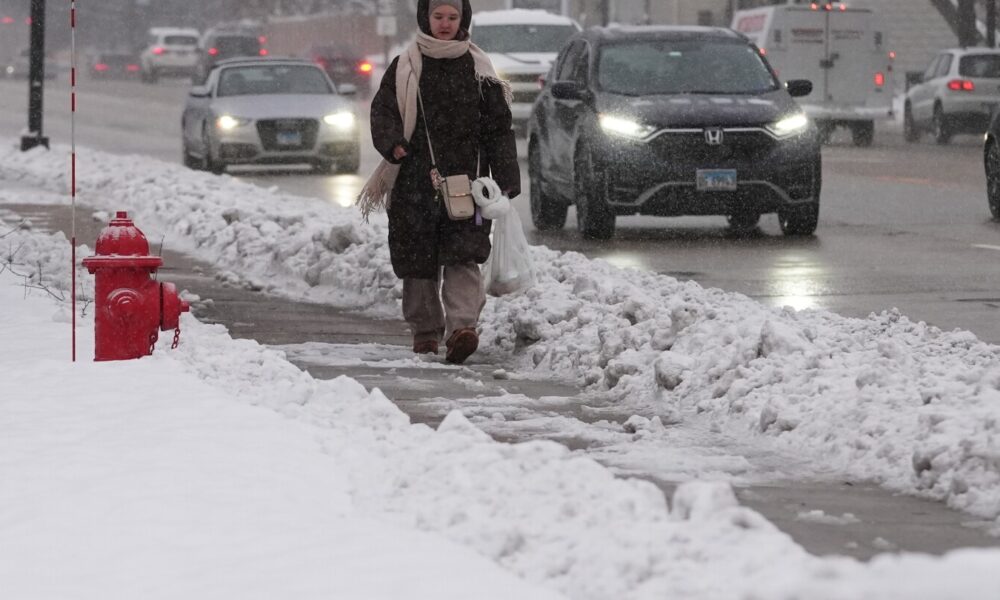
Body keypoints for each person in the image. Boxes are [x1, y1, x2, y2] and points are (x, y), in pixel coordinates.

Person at [359, 0, 519, 364]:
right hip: (415, 179)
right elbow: (383, 110)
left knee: (464, 253)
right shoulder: (405, 66)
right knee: (418, 260)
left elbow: (498, 128)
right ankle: (425, 332)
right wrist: (393, 143)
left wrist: (506, 178)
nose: (445, 24)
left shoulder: (479, 69)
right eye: (438, 16)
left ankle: (463, 329)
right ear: (424, 18)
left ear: (463, 20)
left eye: (453, 17)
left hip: (467, 181)